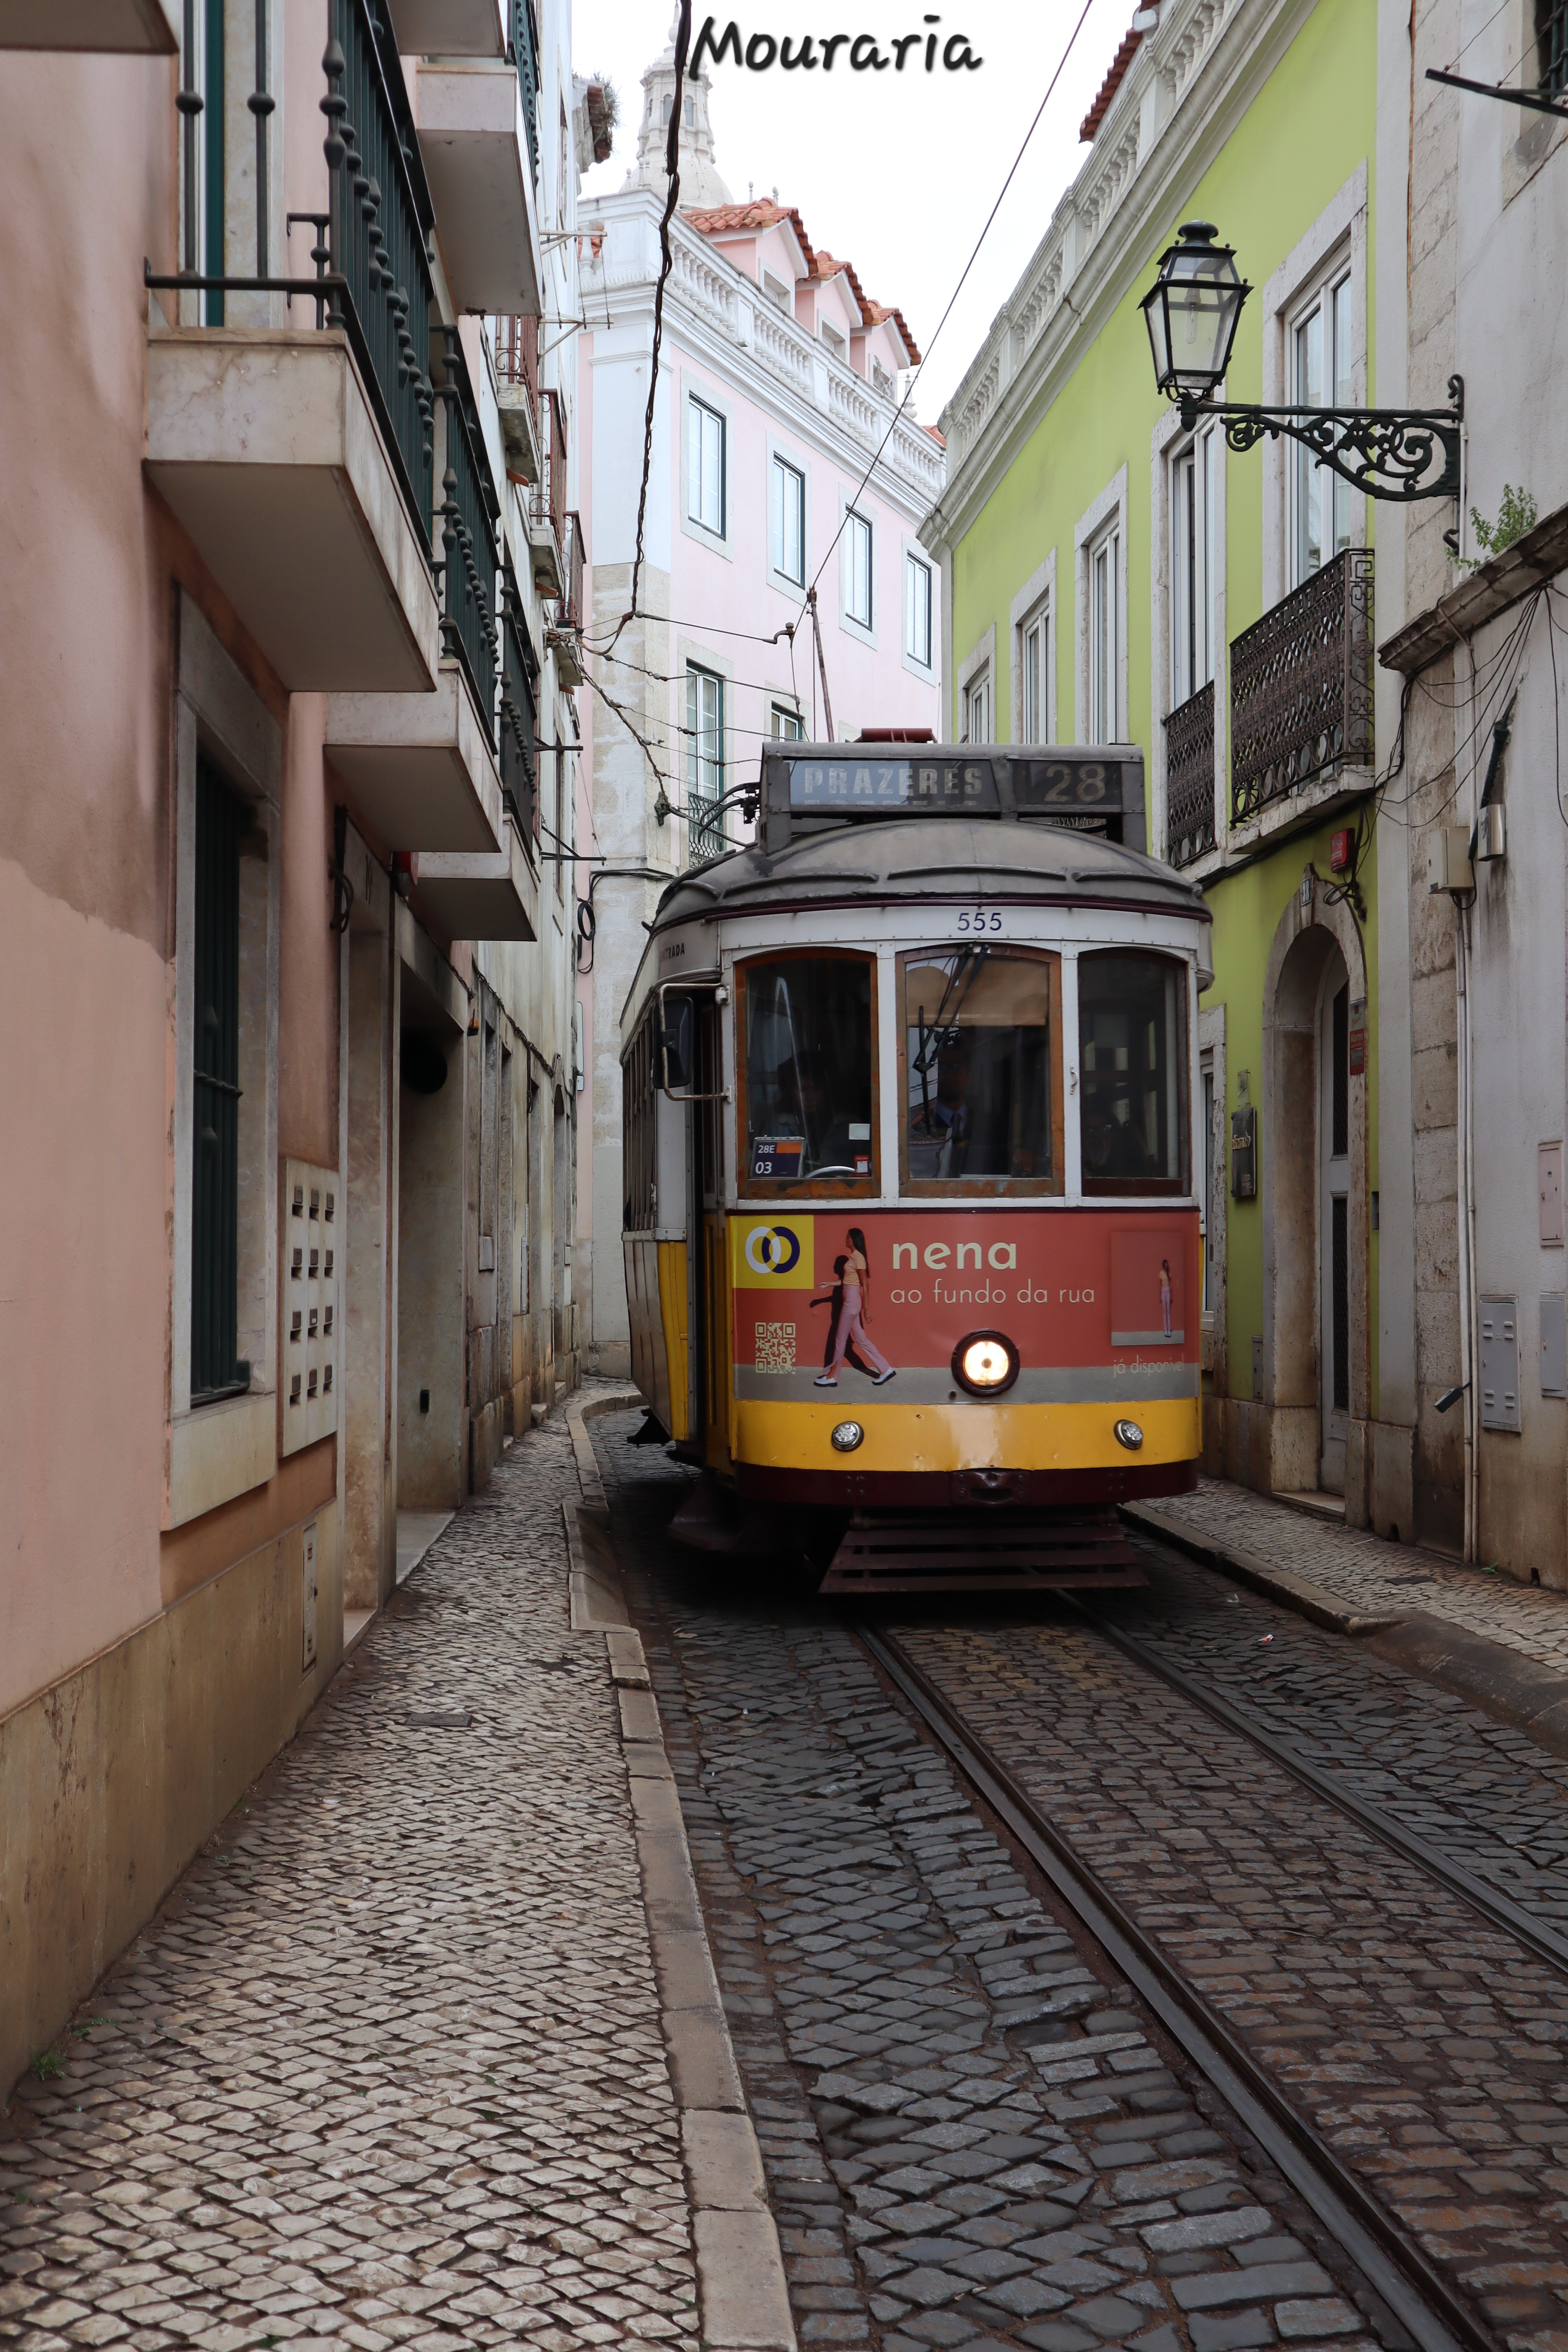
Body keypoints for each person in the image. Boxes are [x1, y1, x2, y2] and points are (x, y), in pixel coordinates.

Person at [814, 1227, 895, 1387]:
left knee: (840, 1340)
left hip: (851, 1303)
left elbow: (865, 1284)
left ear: (854, 1240)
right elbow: (848, 1282)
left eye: (848, 1238)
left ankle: (832, 1376)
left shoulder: (859, 1258)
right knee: (861, 1339)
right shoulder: (853, 1258)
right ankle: (886, 1369)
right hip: (851, 1301)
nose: (845, 1240)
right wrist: (828, 1284)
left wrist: (866, 1309)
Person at [1160, 1256, 1173, 1338]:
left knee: (1168, 1312)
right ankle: (1166, 1330)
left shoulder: (1169, 1274)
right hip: (1163, 1291)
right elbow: (1160, 1285)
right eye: (1165, 1265)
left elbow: (1170, 1285)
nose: (1166, 1266)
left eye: (1167, 1264)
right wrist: (1160, 1296)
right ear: (1163, 1265)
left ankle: (1169, 1330)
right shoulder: (1161, 1273)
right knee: (1165, 1312)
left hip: (1168, 1291)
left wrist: (1171, 1296)